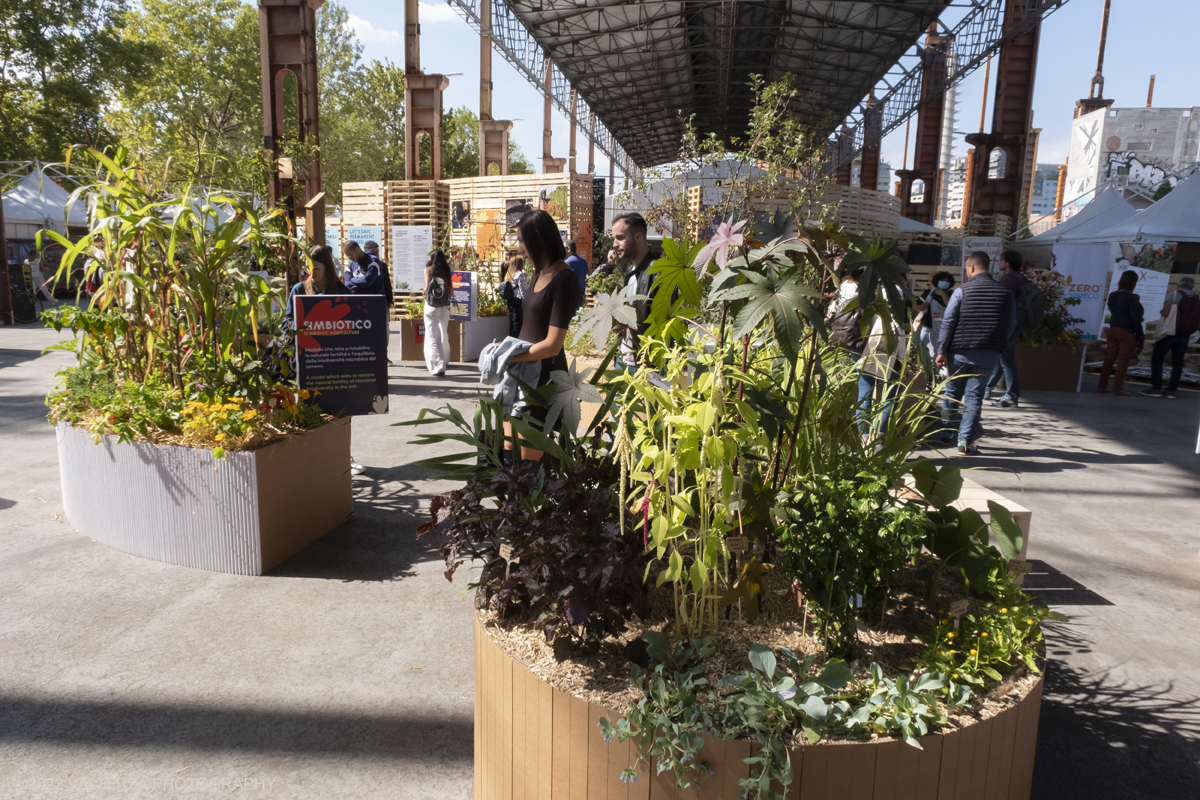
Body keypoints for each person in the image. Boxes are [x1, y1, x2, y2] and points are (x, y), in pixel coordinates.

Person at [505, 208, 580, 461]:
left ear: (538, 237)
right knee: (508, 453)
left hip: (541, 379)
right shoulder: (538, 274)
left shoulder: (564, 280)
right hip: (521, 373)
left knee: (527, 463)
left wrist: (511, 357)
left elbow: (552, 345)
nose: (519, 247)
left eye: (522, 240)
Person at [937, 251, 1016, 456]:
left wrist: (941, 351)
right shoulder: (1006, 293)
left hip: (959, 354)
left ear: (970, 267)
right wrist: (996, 343)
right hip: (988, 355)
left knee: (952, 393)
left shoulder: (962, 291)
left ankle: (945, 434)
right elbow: (1011, 325)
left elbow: (948, 322)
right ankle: (964, 442)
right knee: (974, 398)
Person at [612, 213, 656, 372]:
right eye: (614, 238)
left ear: (638, 237)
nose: (614, 244)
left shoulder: (658, 272)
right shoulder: (629, 272)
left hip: (646, 364)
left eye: (620, 238)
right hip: (623, 360)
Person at [1143, 276, 1199, 399]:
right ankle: (1171, 390)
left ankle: (1156, 388)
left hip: (1169, 333)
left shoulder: (1174, 295)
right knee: (1178, 363)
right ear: (1192, 287)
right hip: (1185, 335)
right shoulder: (1196, 298)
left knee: (1157, 359)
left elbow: (1165, 313)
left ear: (1178, 285)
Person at [985, 250, 1027, 408]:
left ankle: (1012, 395)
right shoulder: (1020, 279)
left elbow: (998, 305)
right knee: (1001, 357)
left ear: (1007, 263)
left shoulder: (1006, 281)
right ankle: (987, 388)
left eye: (1001, 260)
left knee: (1006, 361)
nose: (999, 263)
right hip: (1017, 325)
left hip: (1006, 326)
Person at [1097, 271, 1144, 396]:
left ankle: (1102, 386)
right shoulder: (1131, 298)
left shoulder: (1113, 295)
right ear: (1133, 283)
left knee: (1109, 359)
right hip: (1127, 331)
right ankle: (1118, 389)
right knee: (1122, 362)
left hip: (1112, 330)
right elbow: (1137, 317)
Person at [286, 245, 348, 332]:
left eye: (316, 269)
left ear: (327, 267)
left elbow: (350, 322)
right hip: (305, 342)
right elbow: (287, 320)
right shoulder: (299, 289)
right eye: (307, 268)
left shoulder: (343, 292)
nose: (311, 273)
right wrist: (299, 327)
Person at [423, 249, 453, 377]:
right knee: (443, 333)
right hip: (445, 306)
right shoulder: (446, 271)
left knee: (432, 336)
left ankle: (438, 366)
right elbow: (451, 292)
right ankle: (445, 359)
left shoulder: (428, 270)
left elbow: (425, 290)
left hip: (432, 305)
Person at [363, 240, 395, 360]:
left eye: (377, 252)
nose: (376, 255)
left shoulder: (382, 265)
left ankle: (383, 353)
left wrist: (389, 299)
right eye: (374, 252)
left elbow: (387, 283)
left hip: (382, 302)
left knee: (384, 327)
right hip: (367, 302)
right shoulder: (361, 266)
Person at [914, 271, 955, 363]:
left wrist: (943, 294)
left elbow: (950, 306)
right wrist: (922, 307)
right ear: (937, 281)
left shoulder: (951, 294)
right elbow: (916, 306)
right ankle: (922, 365)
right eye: (942, 280)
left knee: (938, 350)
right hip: (926, 326)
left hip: (941, 328)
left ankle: (936, 369)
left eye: (947, 281)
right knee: (920, 347)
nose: (945, 282)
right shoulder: (929, 293)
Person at [498, 255, 529, 338]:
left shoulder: (509, 273)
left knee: (512, 320)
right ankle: (515, 339)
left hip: (510, 299)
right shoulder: (520, 274)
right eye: (523, 262)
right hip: (518, 300)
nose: (524, 263)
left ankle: (511, 337)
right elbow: (523, 290)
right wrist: (526, 301)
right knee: (518, 322)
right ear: (520, 263)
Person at [565, 240, 589, 307]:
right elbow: (587, 278)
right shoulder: (584, 262)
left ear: (569, 249)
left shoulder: (566, 263)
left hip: (570, 295)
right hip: (582, 294)